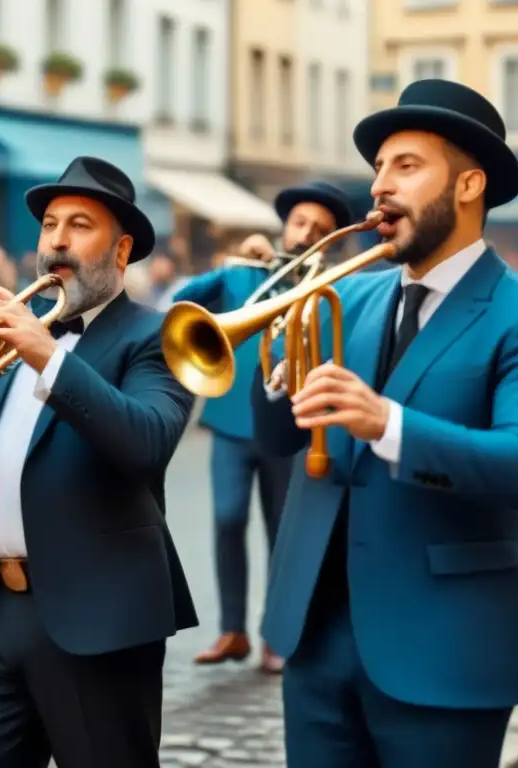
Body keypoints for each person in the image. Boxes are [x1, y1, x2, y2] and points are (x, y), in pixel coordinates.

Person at [251, 79, 518, 766]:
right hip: (315, 636)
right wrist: (273, 378)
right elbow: (280, 440)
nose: (380, 186)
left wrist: (387, 423)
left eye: (407, 166)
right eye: (378, 168)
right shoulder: (346, 294)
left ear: (468, 186)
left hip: (445, 647)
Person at [0, 156, 198, 767]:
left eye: (80, 225)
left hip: (98, 622)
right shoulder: (9, 337)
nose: (58, 239)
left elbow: (146, 444)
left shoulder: (156, 336)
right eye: (49, 225)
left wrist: (47, 357)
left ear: (120, 253)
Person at [178, 181, 353, 673]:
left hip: (289, 425)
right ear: (284, 226)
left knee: (283, 530)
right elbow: (183, 304)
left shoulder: (333, 286)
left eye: (319, 230)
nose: (306, 234)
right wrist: (231, 263)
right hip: (231, 422)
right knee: (227, 519)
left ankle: (277, 632)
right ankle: (231, 630)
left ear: (332, 239)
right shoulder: (245, 275)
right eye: (300, 223)